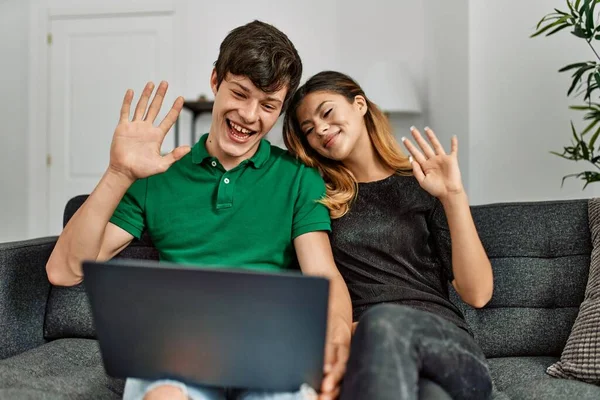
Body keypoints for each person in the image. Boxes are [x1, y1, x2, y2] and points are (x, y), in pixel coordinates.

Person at [45, 23, 352, 400]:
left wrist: (337, 344)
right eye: (240, 93)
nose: (250, 115)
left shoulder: (299, 180)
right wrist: (119, 173)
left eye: (268, 106)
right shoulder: (157, 174)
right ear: (215, 80)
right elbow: (63, 270)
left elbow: (324, 275)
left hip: (268, 354)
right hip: (178, 353)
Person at [282, 70, 495, 400]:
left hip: (447, 347)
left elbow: (478, 293)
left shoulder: (421, 182)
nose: (320, 129)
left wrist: (453, 195)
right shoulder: (320, 200)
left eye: (326, 113)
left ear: (359, 104)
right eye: (308, 130)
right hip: (370, 354)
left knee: (383, 322)